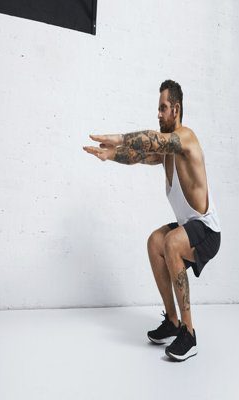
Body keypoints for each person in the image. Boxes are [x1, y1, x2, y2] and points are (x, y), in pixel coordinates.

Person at [83, 79, 222, 360]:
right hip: (188, 229)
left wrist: (119, 137)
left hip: (207, 231)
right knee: (155, 241)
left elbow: (150, 139)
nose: (158, 114)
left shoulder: (186, 139)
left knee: (170, 243)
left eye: (163, 108)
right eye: (158, 109)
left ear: (176, 109)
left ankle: (189, 333)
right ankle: (172, 321)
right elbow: (140, 155)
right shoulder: (168, 152)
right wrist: (111, 155)